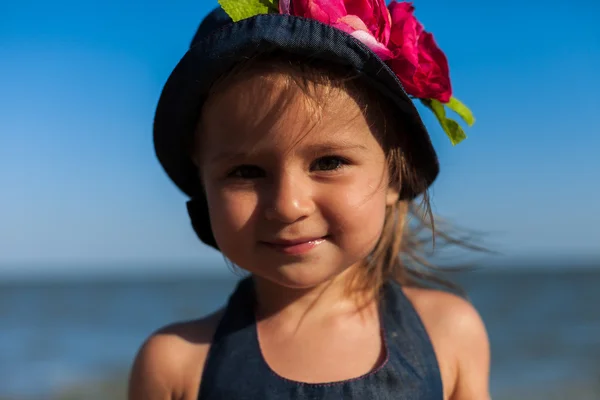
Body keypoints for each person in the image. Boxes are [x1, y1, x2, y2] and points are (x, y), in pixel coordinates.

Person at [129, 1, 491, 399]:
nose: (288, 205)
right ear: (204, 181)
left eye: (329, 162)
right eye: (246, 172)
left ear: (394, 175)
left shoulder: (448, 334)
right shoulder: (176, 365)